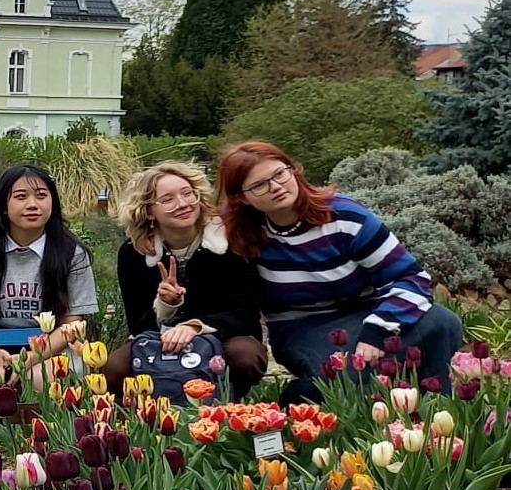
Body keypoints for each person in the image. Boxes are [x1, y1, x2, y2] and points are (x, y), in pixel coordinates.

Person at [217, 141, 463, 403]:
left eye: (280, 173)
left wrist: (377, 330)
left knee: (441, 323)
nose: (276, 186)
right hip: (301, 326)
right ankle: (298, 404)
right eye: (259, 185)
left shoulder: (344, 216)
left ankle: (433, 408)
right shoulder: (240, 234)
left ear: (293, 171)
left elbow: (409, 278)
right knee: (343, 373)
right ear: (242, 197)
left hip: (369, 312)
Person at [103, 162, 267, 400]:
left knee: (245, 356)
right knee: (114, 367)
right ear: (149, 211)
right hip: (162, 339)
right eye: (167, 199)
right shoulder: (134, 253)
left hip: (223, 335)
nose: (183, 204)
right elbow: (138, 326)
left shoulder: (230, 241)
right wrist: (165, 306)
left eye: (188, 193)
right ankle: (150, 416)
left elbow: (244, 313)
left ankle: (226, 406)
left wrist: (194, 327)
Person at [0, 165, 98, 386]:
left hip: (53, 347)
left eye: (41, 196)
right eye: (21, 197)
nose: (32, 205)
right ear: (3, 206)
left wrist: (32, 358)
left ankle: (41, 421)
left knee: (37, 380)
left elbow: (73, 323)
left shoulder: (71, 254)